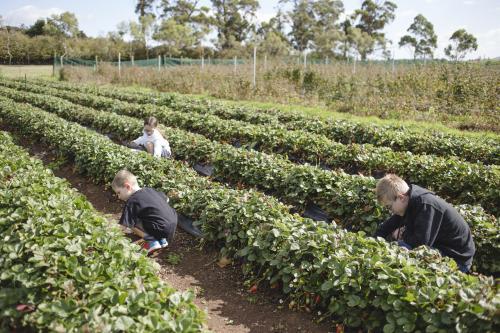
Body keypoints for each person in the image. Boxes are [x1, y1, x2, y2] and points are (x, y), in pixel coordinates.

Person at [374, 174, 475, 273]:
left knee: (399, 250)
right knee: (396, 247)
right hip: (440, 246)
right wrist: (373, 241)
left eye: (389, 207)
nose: (391, 211)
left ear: (401, 198)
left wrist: (402, 234)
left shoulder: (426, 206)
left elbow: (420, 244)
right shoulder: (409, 201)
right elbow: (388, 226)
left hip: (457, 259)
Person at [112, 169, 177, 255]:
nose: (119, 197)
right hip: (172, 225)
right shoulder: (149, 190)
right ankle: (161, 240)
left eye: (119, 193)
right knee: (147, 215)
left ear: (127, 187)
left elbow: (123, 226)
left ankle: (152, 241)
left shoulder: (132, 201)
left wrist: (110, 235)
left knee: (131, 223)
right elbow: (166, 199)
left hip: (160, 229)